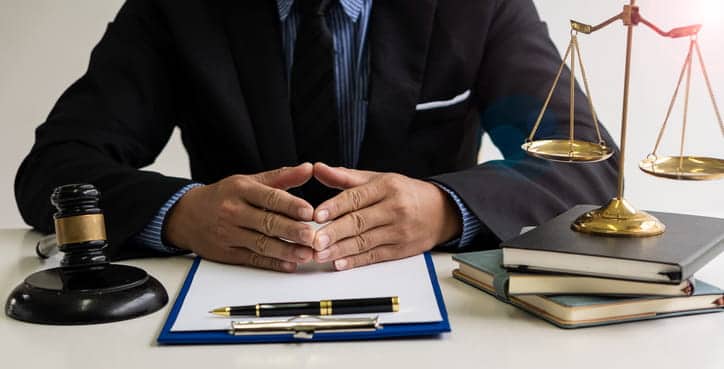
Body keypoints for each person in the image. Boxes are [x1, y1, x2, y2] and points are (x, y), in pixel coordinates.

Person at [15, 0, 618, 272]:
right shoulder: (176, 9)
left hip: (442, 331)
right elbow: (55, 168)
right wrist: (181, 214)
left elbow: (588, 161)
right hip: (224, 328)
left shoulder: (477, 7)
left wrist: (443, 210)